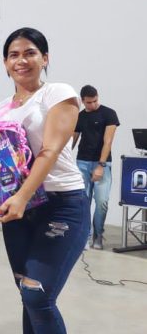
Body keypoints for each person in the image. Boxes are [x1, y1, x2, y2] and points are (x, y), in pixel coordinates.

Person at [0, 27, 89, 334]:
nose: (22, 60)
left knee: (37, 293)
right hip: (20, 212)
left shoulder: (58, 93)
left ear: (44, 58)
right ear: (5, 63)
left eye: (30, 53)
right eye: (13, 55)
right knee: (26, 293)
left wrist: (21, 196)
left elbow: (50, 150)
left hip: (61, 203)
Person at [72, 85, 119, 250]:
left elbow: (108, 141)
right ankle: (85, 236)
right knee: (83, 201)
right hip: (82, 163)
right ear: (83, 101)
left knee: (101, 202)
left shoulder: (109, 114)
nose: (92, 105)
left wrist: (101, 165)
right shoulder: (80, 116)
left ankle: (98, 236)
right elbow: (73, 140)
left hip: (102, 163)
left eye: (95, 101)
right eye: (89, 102)